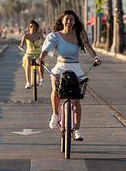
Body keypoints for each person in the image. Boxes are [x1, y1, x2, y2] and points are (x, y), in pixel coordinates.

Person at [39, 10, 102, 141]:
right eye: (67, 19)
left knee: (76, 99)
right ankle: (55, 115)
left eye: (72, 19)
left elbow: (88, 46)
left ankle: (77, 129)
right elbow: (45, 50)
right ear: (62, 21)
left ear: (74, 22)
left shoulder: (79, 35)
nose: (69, 21)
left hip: (75, 68)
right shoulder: (55, 36)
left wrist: (95, 57)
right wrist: (40, 58)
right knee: (56, 90)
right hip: (60, 67)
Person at [18, 20, 45, 89]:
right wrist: (21, 46)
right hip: (29, 54)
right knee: (27, 60)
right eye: (30, 26)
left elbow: (45, 41)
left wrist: (45, 46)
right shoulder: (26, 35)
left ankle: (41, 79)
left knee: (41, 61)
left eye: (34, 26)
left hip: (38, 54)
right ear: (28, 27)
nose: (32, 27)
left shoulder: (39, 34)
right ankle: (28, 82)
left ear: (36, 27)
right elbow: (22, 43)